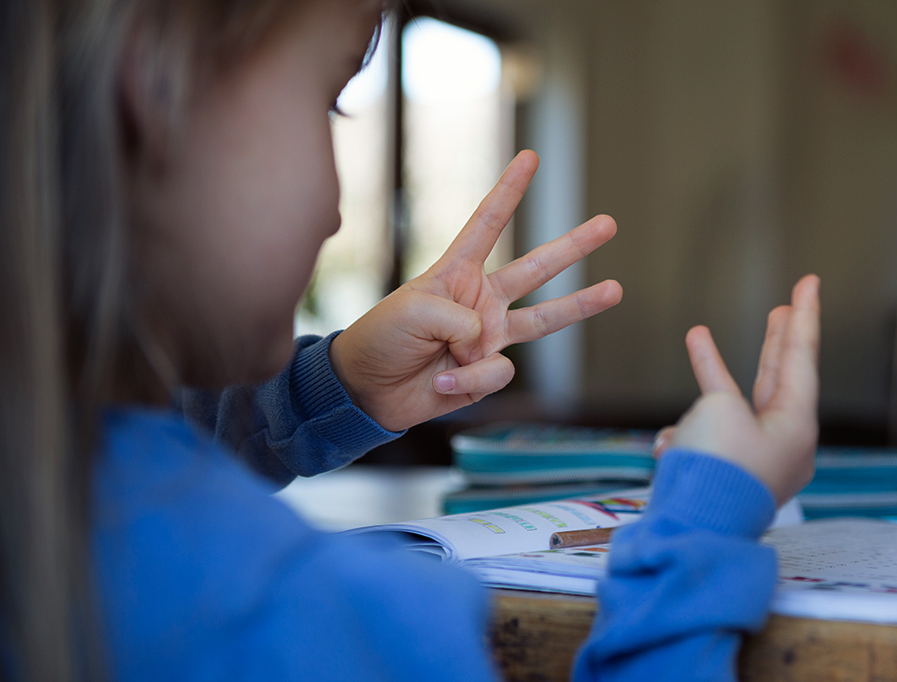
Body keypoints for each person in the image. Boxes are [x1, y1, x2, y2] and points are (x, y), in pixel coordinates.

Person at [0, 0, 821, 680]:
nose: (335, 214)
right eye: (329, 100)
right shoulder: (319, 621)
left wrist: (336, 387)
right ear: (155, 85)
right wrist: (704, 526)